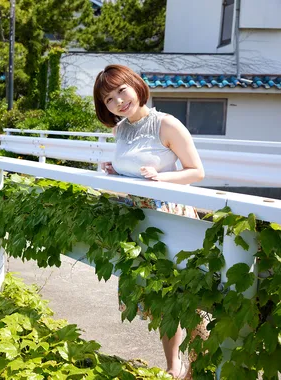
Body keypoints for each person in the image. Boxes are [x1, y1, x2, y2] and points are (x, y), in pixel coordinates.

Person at [92, 64, 205, 379]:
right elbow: (135, 166)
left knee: (184, 298)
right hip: (141, 220)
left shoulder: (166, 124)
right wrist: (117, 171)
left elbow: (196, 171)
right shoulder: (122, 128)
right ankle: (173, 368)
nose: (118, 101)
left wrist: (162, 177)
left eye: (121, 91)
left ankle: (196, 367)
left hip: (171, 216)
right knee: (159, 297)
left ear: (135, 86)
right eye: (109, 99)